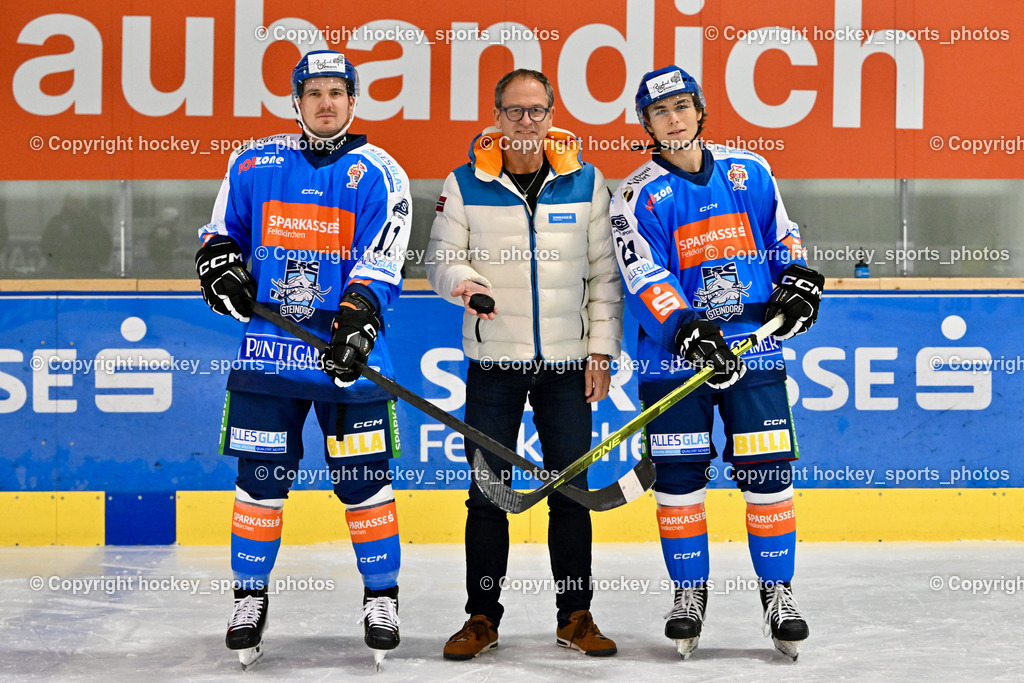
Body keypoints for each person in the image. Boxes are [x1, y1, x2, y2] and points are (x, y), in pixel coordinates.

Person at [195, 49, 412, 669]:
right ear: (296, 102)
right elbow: (221, 235)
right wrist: (220, 269)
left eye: (336, 92)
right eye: (313, 92)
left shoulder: (381, 174)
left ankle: (382, 599)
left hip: (349, 356)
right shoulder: (253, 161)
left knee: (364, 486)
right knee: (259, 487)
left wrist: (357, 324)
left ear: (353, 101)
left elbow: (383, 259)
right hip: (269, 357)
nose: (325, 102)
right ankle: (248, 599)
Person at [610, 65, 823, 660]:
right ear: (646, 123)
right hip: (675, 362)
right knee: (679, 481)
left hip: (755, 352)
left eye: (681, 106)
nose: (673, 119)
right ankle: (688, 595)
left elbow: (781, 238)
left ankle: (778, 593)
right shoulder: (634, 194)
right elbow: (641, 273)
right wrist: (687, 329)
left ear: (699, 110)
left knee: (768, 475)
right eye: (660, 112)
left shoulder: (748, 170)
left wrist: (796, 283)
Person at [427, 69, 623, 660]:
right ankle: (481, 617)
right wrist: (468, 285)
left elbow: (606, 275)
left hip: (567, 365)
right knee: (488, 493)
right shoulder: (464, 183)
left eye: (536, 111)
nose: (526, 122)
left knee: (572, 491)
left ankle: (576, 615)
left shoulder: (586, 183)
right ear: (496, 116)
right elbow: (440, 259)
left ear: (552, 114)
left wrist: (602, 352)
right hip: (495, 363)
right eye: (514, 112)